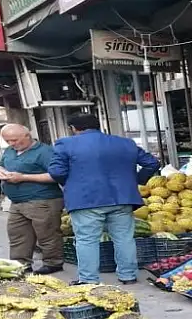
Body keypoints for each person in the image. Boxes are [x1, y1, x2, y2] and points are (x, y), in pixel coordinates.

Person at [48, 113, 160, 285]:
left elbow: (56, 172)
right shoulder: (125, 143)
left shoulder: (66, 144)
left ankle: (88, 279)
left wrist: (72, 184)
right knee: (124, 238)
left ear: (73, 128)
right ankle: (128, 275)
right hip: (122, 198)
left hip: (86, 199)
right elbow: (152, 163)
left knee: (86, 239)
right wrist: (136, 180)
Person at [0, 124, 65, 275]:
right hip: (16, 202)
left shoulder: (45, 152)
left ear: (27, 136)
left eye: (14, 140)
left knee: (47, 233)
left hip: (42, 200)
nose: (12, 144)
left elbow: (56, 176)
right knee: (17, 234)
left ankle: (53, 262)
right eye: (7, 141)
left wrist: (23, 177)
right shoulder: (9, 151)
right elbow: (0, 165)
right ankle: (21, 263)